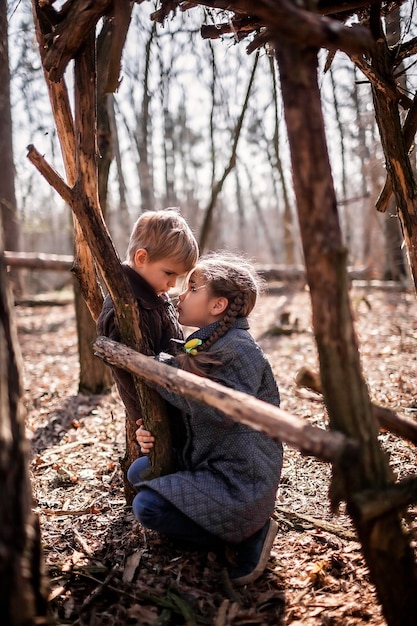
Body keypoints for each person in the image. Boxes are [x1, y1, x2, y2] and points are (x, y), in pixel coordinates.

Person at [127, 252, 283, 586]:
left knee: (148, 508)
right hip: (207, 462)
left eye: (192, 287)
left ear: (218, 306)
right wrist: (151, 430)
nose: (180, 294)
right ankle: (227, 524)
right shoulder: (209, 341)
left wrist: (157, 370)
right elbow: (187, 408)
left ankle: (248, 534)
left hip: (240, 478)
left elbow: (214, 408)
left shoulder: (241, 349)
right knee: (139, 471)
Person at [96, 208, 199, 433]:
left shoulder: (155, 293)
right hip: (158, 414)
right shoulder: (125, 307)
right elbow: (125, 371)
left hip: (175, 400)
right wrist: (143, 416)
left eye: (178, 277)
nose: (173, 284)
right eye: (169, 273)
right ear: (141, 258)